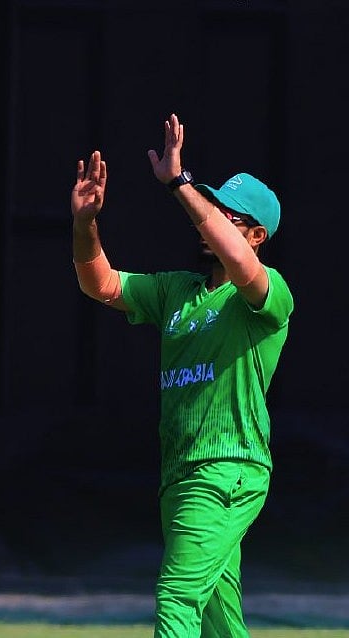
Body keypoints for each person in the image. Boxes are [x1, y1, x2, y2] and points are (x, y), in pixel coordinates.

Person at [70, 113, 293, 637]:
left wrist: (178, 183)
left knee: (177, 596)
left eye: (226, 214)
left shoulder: (267, 294)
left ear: (256, 235)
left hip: (226, 470)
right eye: (210, 206)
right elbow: (100, 285)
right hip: (182, 473)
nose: (209, 217)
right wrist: (85, 224)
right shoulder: (176, 290)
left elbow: (240, 264)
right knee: (219, 619)